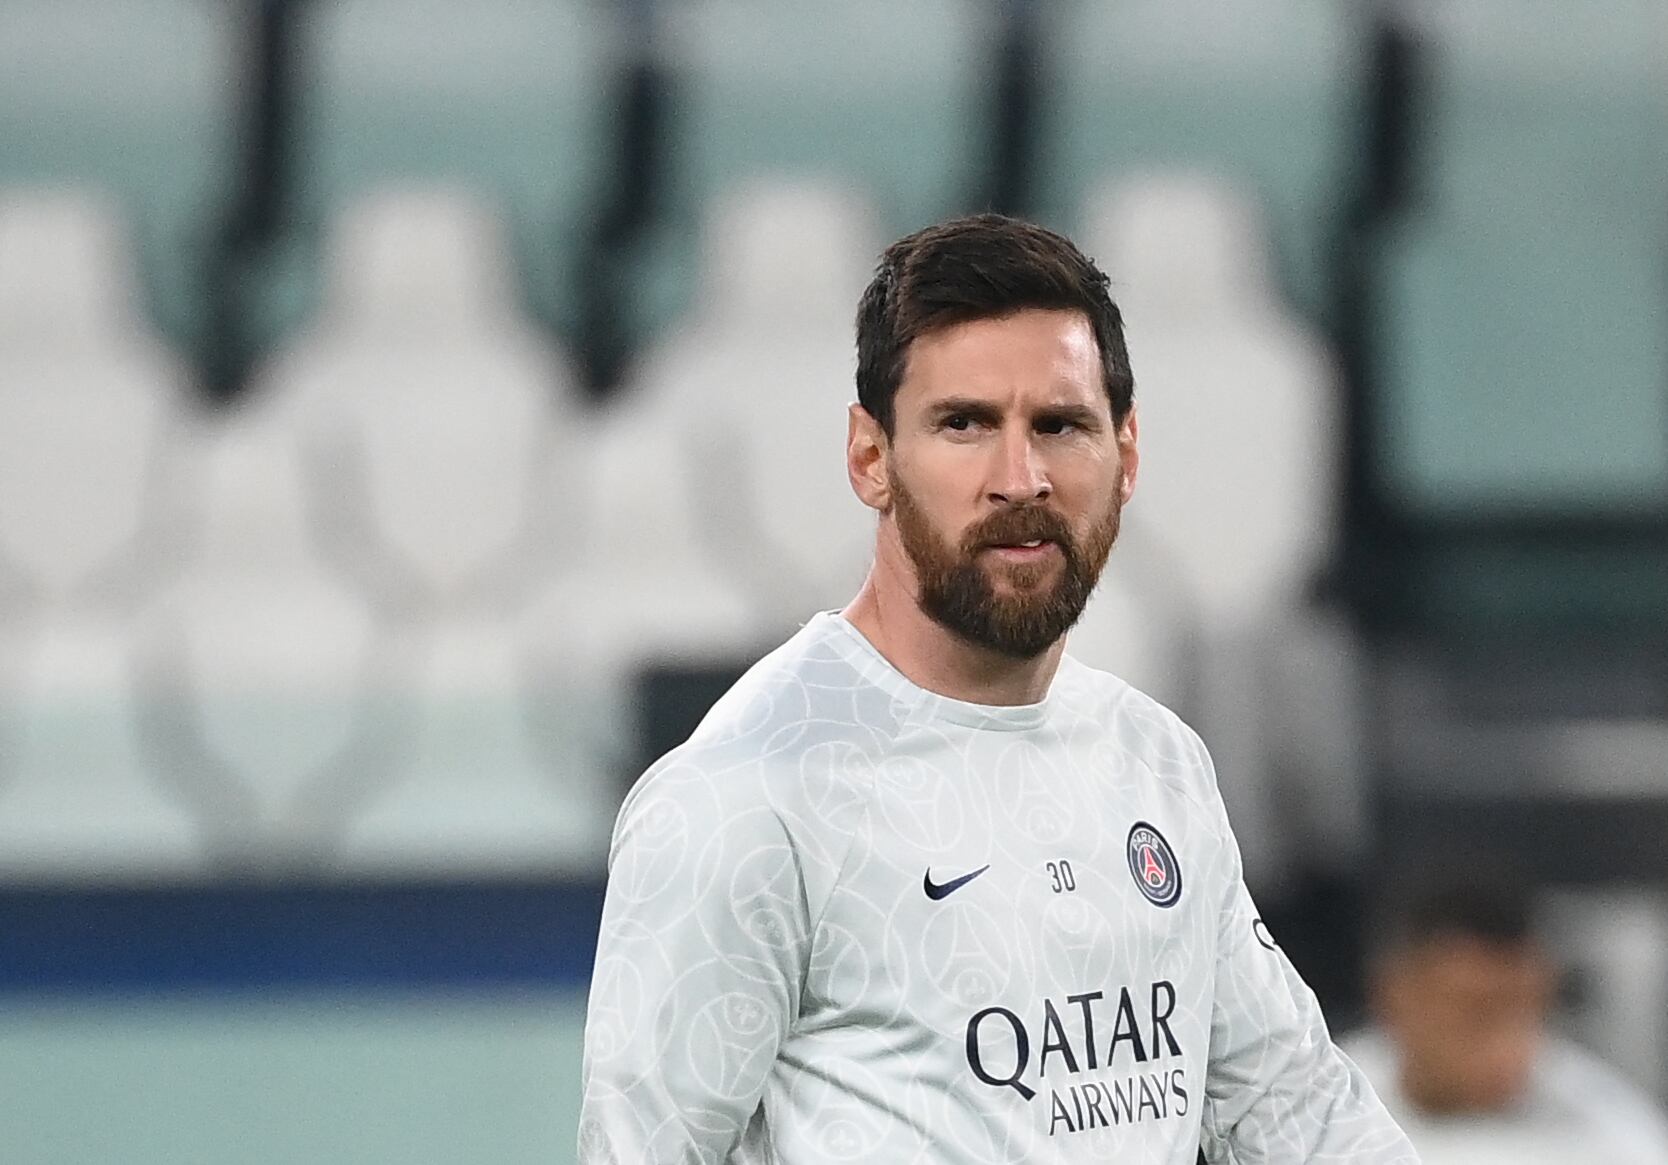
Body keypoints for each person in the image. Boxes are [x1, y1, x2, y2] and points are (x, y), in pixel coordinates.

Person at [578, 214, 1415, 1163]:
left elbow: (1294, 1107)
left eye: (1060, 425)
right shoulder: (745, 797)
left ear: (1127, 454)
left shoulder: (1156, 761)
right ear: (870, 458)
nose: (1020, 478)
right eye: (964, 424)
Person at [1344, 867, 1668, 1164]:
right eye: (1478, 1013)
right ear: (1395, 996)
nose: (1509, 1044)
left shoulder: (1613, 1130)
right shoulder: (1325, 1110)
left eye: (1527, 1012)